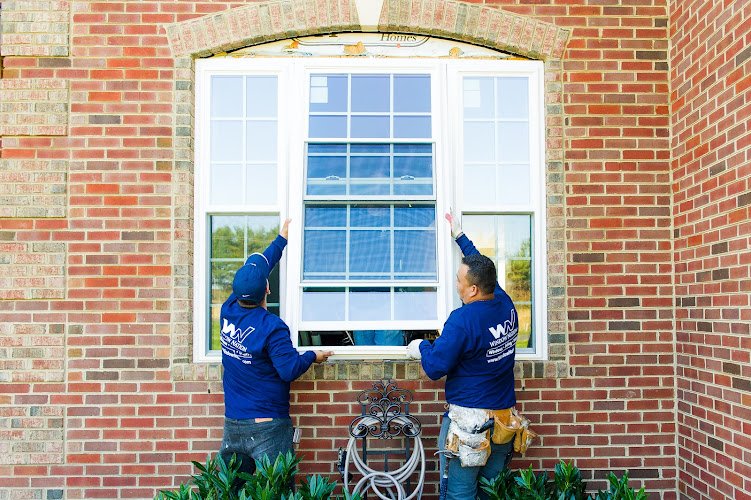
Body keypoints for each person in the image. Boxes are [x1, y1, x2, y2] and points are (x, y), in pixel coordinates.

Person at [407, 212, 519, 500]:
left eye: (459, 281)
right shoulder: (504, 303)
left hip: (470, 424)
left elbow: (434, 367)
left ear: (473, 289)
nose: (456, 285)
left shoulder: (462, 320)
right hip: (503, 421)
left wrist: (421, 347)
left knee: (460, 493)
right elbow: (481, 266)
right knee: (489, 492)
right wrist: (460, 236)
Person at [219, 218, 333, 471]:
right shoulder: (272, 327)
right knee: (276, 486)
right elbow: (289, 369)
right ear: (268, 289)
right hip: (267, 425)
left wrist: (282, 240)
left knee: (234, 487)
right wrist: (312, 355)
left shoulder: (228, 309)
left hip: (233, 420)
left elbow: (260, 266)